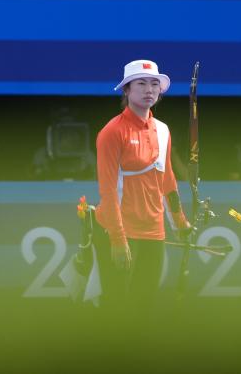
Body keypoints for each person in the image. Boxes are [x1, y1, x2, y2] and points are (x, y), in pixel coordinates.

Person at [94, 59, 190, 317]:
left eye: (154, 84)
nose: (149, 90)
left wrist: (180, 222)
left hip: (153, 231)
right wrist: (117, 239)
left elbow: (167, 180)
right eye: (141, 83)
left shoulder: (163, 130)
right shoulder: (112, 132)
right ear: (127, 90)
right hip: (118, 231)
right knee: (115, 309)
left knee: (144, 307)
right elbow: (108, 190)